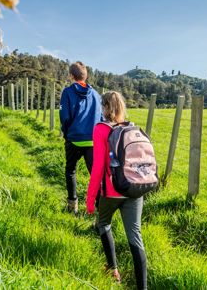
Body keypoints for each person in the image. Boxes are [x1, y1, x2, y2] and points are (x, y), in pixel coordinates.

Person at [86, 91, 147, 289]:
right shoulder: (131, 127)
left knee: (103, 223)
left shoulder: (101, 129)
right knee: (135, 236)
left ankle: (113, 269)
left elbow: (97, 169)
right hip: (134, 189)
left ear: (104, 108)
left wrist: (90, 199)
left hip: (111, 191)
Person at [60, 61, 102, 215]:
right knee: (95, 174)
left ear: (71, 75)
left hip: (74, 139)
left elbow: (64, 116)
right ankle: (98, 209)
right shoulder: (96, 95)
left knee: (70, 170)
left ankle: (72, 205)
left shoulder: (67, 92)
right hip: (93, 141)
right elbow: (102, 117)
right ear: (86, 76)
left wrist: (66, 133)